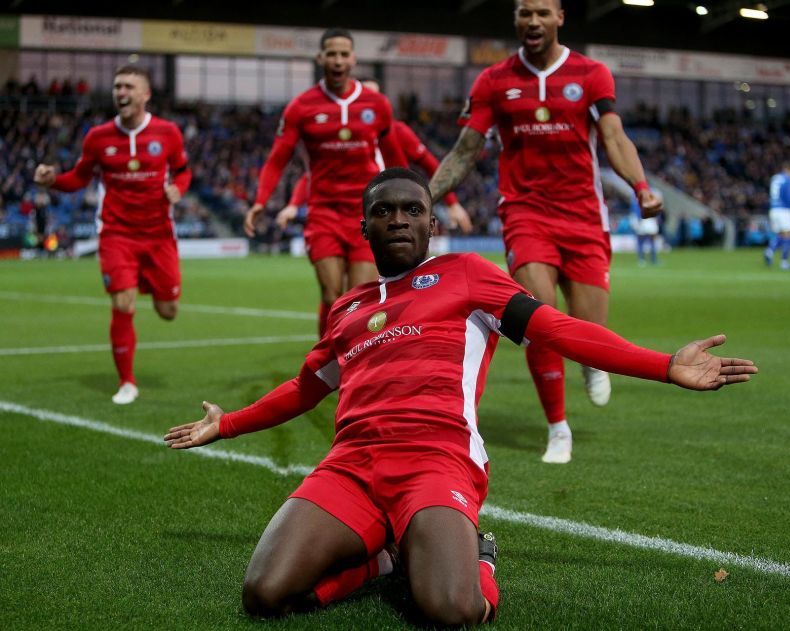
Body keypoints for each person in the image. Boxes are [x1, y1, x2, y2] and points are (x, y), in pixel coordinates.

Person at [164, 168, 756, 626]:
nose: (398, 219)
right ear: (363, 226)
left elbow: (557, 329)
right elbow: (304, 389)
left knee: (453, 609)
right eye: (383, 211)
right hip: (351, 466)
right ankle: (382, 561)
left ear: (431, 224)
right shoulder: (347, 309)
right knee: (265, 594)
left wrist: (662, 365)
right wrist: (229, 424)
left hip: (435, 460)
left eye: (412, 210)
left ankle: (481, 554)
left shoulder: (466, 274)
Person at [428, 0, 663, 464]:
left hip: (582, 215)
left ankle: (591, 362)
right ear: (515, 19)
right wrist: (425, 195)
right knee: (537, 319)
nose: (532, 21)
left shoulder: (592, 73)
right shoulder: (493, 80)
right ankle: (558, 428)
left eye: (541, 12)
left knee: (589, 329)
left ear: (560, 17)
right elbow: (465, 150)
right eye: (523, 12)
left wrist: (640, 187)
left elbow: (614, 137)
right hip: (525, 212)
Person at [34, 66, 191, 404]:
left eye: (128, 87)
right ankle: (127, 382)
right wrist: (52, 180)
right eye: (117, 86)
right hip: (116, 234)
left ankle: (148, 282)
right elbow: (78, 177)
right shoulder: (98, 137)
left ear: (145, 94)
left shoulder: (168, 133)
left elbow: (183, 170)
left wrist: (178, 188)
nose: (121, 92)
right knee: (123, 303)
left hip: (159, 235)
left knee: (168, 311)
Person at [245, 29, 407, 338]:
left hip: (367, 214)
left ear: (353, 59)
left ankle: (353, 366)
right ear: (320, 58)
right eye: (331, 54)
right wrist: (260, 201)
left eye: (344, 54)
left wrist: (411, 204)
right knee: (332, 296)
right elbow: (278, 158)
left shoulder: (377, 104)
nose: (337, 60)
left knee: (360, 299)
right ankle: (329, 363)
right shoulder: (301, 106)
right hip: (323, 213)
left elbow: (396, 160)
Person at [275, 79, 473, 236]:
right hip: (343, 211)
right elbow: (314, 174)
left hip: (383, 212)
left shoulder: (398, 130)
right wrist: (293, 205)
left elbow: (430, 164)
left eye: (376, 95)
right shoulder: (342, 138)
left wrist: (452, 203)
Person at [764, 163, 790, 271]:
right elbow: (788, 196)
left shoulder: (775, 178)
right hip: (784, 210)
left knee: (781, 234)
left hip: (773, 209)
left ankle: (769, 251)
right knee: (788, 235)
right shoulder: (788, 179)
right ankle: (785, 263)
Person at [630, 190, 662, 266]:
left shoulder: (636, 202)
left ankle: (642, 259)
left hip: (644, 222)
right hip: (648, 223)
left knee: (642, 242)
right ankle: (652, 259)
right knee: (650, 242)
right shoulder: (649, 201)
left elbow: (635, 212)